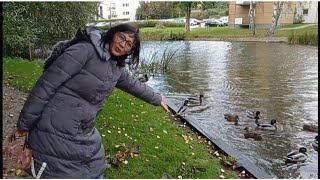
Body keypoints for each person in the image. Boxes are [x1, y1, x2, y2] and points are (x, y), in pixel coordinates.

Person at [15, 23, 170, 178]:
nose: (122, 45)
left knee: (95, 168)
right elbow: (45, 86)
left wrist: (157, 98)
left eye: (129, 44)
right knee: (63, 170)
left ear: (131, 51)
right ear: (113, 33)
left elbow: (133, 84)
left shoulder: (115, 66)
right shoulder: (84, 50)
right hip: (55, 125)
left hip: (82, 128)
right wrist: (24, 123)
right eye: (121, 37)